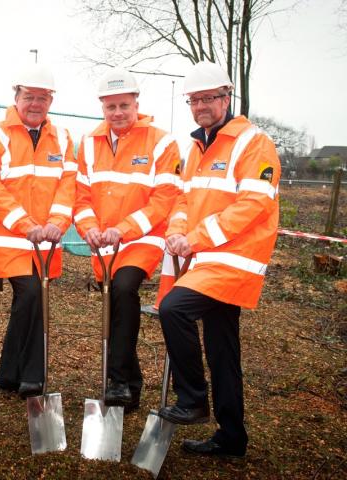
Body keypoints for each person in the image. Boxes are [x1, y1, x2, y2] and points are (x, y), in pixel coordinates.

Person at [158, 61, 281, 457]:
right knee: (222, 349)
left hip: (233, 260)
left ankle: (192, 399)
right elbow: (184, 198)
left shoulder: (252, 142)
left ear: (227, 97)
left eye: (209, 98)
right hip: (207, 259)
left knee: (173, 308)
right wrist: (177, 230)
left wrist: (194, 239)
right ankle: (232, 437)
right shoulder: (196, 147)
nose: (201, 106)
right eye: (194, 100)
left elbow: (253, 205)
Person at [73, 68, 181, 413]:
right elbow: (81, 196)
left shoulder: (162, 142)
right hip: (104, 241)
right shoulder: (89, 143)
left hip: (143, 237)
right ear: (102, 107)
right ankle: (130, 385)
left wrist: (125, 229)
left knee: (123, 290)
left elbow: (164, 198)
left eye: (124, 105)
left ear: (137, 103)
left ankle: (118, 380)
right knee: (115, 305)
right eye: (110, 107)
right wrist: (89, 227)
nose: (117, 113)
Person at [0, 64, 76, 398]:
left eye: (43, 98)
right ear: (16, 96)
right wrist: (25, 223)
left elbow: (68, 185)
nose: (36, 104)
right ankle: (32, 375)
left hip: (45, 238)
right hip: (7, 238)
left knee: (32, 298)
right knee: (32, 294)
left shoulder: (62, 138)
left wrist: (57, 224)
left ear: (51, 101)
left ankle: (9, 372)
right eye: (29, 97)